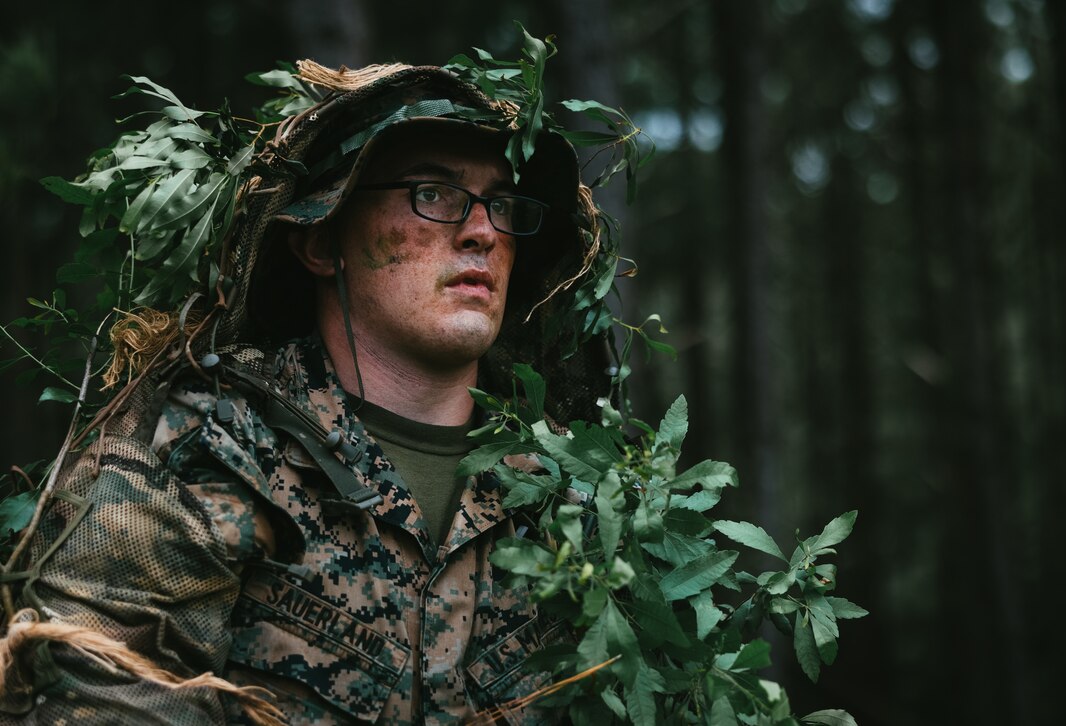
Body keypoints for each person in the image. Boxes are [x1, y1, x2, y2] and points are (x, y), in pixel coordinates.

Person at [0, 48, 619, 725]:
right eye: (435, 195)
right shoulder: (211, 447)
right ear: (323, 242)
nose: (482, 232)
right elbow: (94, 692)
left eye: (502, 205)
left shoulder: (566, 490)